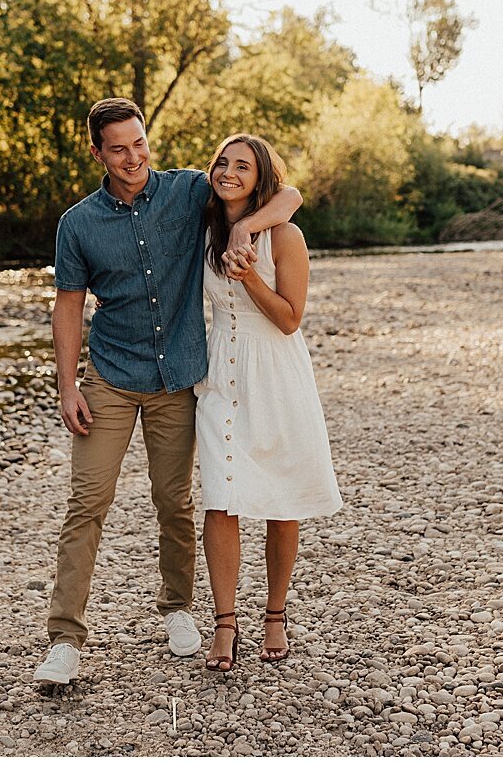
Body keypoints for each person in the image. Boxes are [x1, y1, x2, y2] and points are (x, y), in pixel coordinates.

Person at [33, 99, 303, 686]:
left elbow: (287, 195)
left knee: (175, 501)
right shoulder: (78, 224)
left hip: (179, 375)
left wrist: (244, 225)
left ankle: (178, 607)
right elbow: (69, 306)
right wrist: (66, 385)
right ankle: (65, 640)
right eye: (119, 148)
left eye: (139, 143)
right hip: (109, 375)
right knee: (87, 504)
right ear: (98, 153)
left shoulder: (188, 192)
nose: (133, 158)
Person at [196, 134, 341, 672]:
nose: (229, 173)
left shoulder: (287, 236)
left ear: (261, 179)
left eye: (243, 167)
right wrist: (233, 228)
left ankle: (275, 614)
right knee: (220, 495)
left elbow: (288, 319)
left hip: (276, 374)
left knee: (282, 498)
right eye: (222, 163)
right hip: (220, 374)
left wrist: (249, 267)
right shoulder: (202, 227)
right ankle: (225, 623)